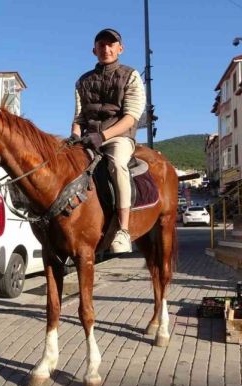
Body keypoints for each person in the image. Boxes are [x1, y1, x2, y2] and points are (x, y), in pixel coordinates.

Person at [67, 28, 146, 253]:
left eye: (111, 44)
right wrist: (74, 136)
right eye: (102, 44)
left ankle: (123, 229)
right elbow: (78, 116)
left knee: (117, 165)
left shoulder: (130, 75)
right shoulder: (82, 81)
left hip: (118, 137)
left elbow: (131, 117)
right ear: (94, 50)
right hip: (88, 137)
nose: (106, 48)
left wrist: (102, 136)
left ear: (120, 48)